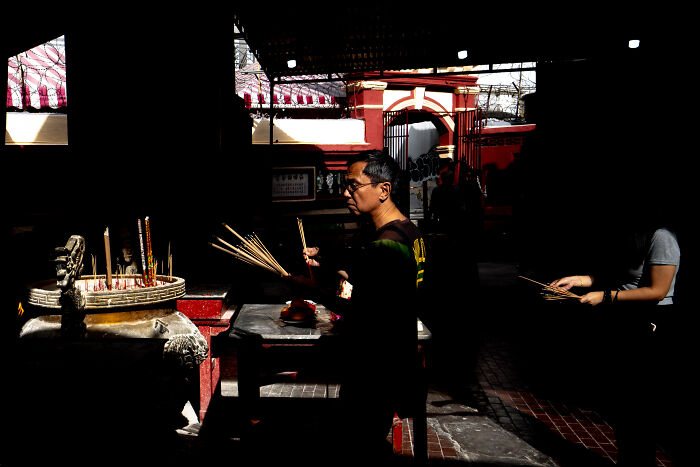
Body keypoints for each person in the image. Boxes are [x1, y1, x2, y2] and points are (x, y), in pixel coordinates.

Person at [285, 150, 426, 462]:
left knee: (358, 445)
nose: (346, 192)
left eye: (354, 185)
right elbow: (375, 277)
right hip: (398, 357)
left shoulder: (386, 245)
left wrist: (311, 289)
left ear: (383, 190)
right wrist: (330, 263)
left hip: (376, 366)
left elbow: (362, 310)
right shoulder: (409, 232)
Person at [550, 223, 680, 467]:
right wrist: (577, 280)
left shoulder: (662, 237)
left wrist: (606, 296)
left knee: (639, 410)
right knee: (623, 408)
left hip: (649, 323)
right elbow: (617, 276)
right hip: (625, 322)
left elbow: (659, 291)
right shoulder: (633, 234)